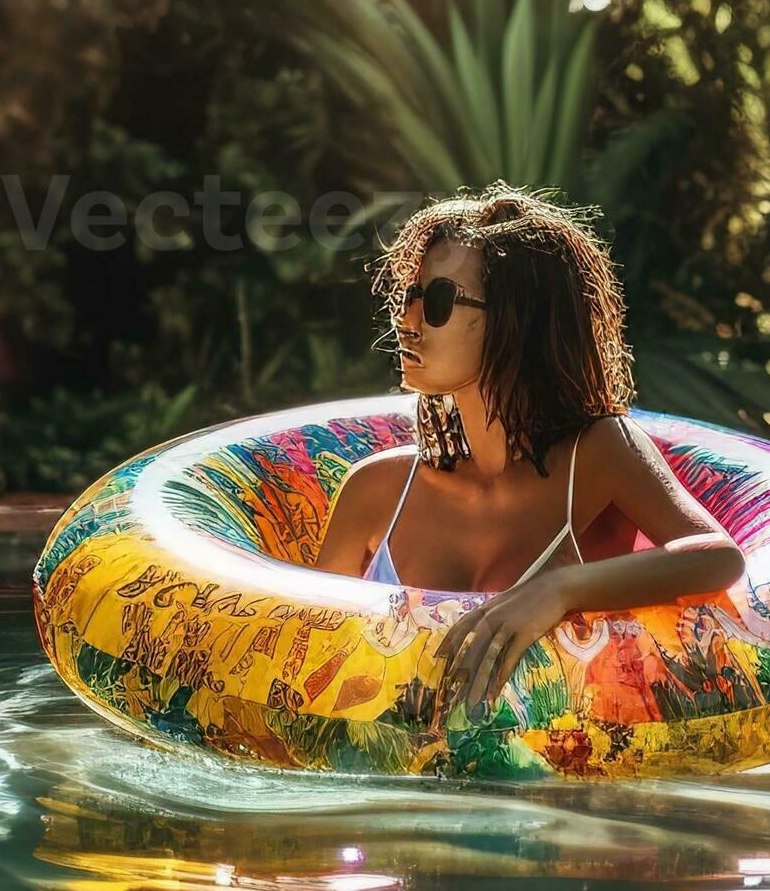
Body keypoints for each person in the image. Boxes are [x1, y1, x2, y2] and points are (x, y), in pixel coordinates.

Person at [310, 186, 747, 723]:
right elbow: (311, 644)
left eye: (441, 300)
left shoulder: (597, 455)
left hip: (558, 792)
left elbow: (716, 556)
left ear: (518, 320)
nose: (409, 320)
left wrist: (560, 589)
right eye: (410, 296)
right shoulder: (375, 491)